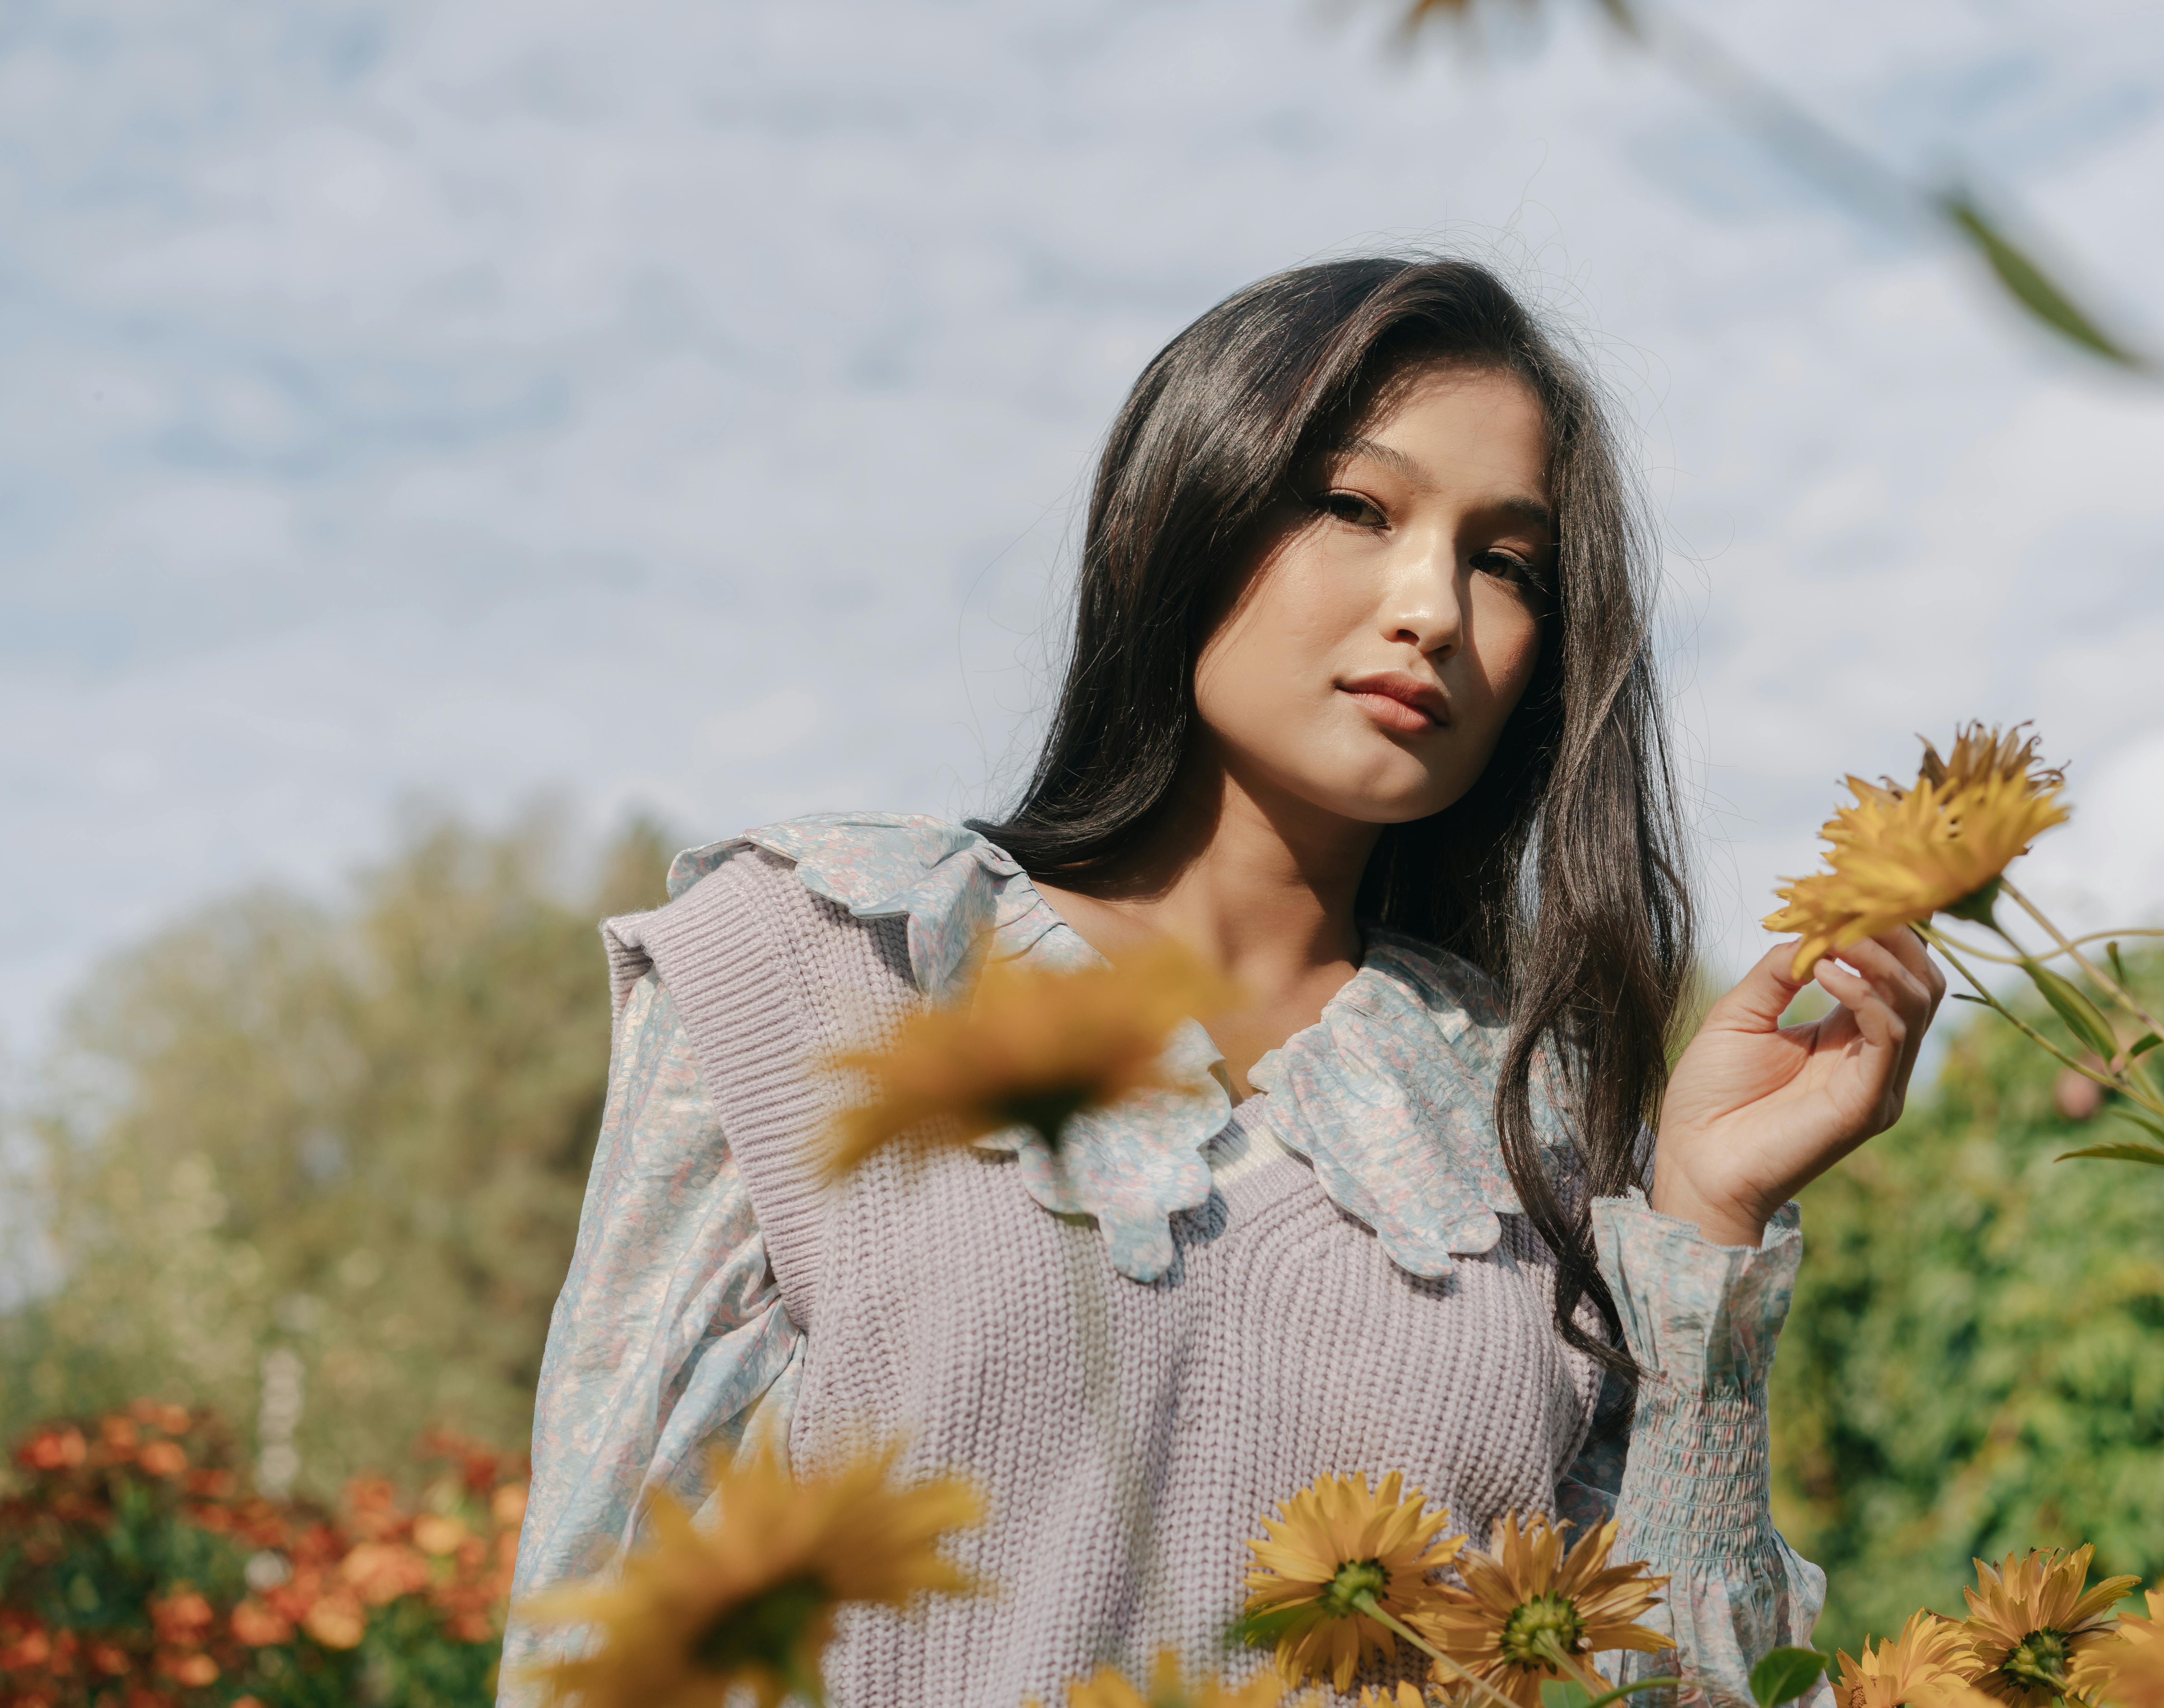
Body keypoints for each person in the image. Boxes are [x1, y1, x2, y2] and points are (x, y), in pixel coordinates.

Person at [497, 255, 1943, 1706]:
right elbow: (593, 1628)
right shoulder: (823, 956)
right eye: (1354, 509)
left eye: (1505, 564)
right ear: (1182, 505)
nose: (1429, 607)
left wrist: (1701, 1220)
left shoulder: (1533, 1120)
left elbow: (1681, 1691)